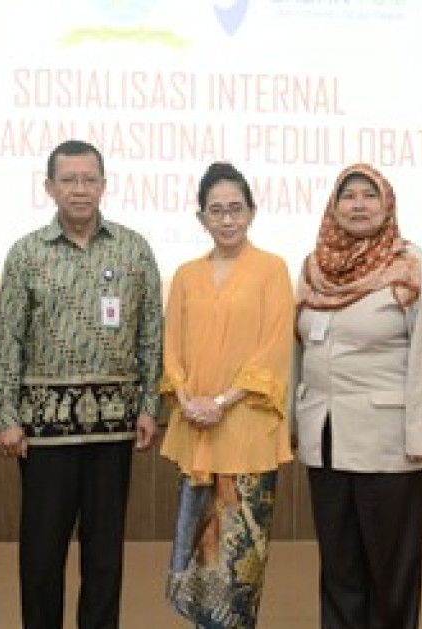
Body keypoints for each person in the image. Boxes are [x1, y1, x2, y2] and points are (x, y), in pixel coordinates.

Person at [0, 139, 163, 629]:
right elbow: (7, 340)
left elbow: (152, 334)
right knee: (42, 556)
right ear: (50, 187)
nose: (80, 189)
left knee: (104, 557)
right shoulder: (26, 253)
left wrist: (149, 404)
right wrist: (6, 417)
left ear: (104, 185)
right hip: (44, 433)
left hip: (114, 426)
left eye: (89, 179)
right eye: (69, 180)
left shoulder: (133, 249)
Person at [294, 163, 422, 629]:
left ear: (387, 205)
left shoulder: (415, 267)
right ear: (334, 207)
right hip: (325, 439)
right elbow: (297, 350)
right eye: (348, 196)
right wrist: (292, 424)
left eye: (369, 195)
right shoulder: (314, 267)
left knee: (390, 568)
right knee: (339, 564)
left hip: (389, 443)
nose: (358, 205)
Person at [160, 162, 295, 629]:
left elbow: (273, 350)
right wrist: (187, 398)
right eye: (216, 210)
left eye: (236, 208)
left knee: (237, 570)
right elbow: (171, 349)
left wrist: (220, 402)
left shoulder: (272, 270)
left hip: (247, 432)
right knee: (197, 564)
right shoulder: (186, 275)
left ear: (252, 212)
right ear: (201, 217)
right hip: (196, 431)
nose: (227, 218)